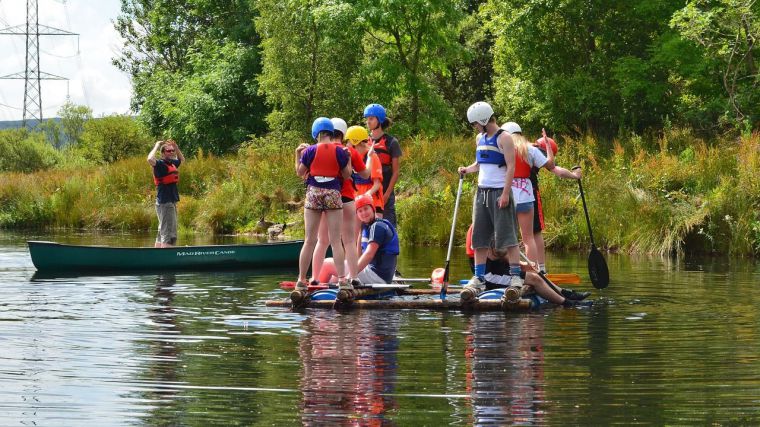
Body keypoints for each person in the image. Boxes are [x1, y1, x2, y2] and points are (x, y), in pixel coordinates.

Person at [457, 101, 522, 303]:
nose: (474, 127)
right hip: (482, 193)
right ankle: (479, 277)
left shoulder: (505, 138)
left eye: (475, 123)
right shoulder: (480, 138)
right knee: (480, 236)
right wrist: (466, 170)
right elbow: (479, 163)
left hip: (499, 193)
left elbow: (511, 167)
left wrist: (504, 194)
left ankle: (515, 277)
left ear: (484, 120)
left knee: (508, 236)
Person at [501, 123, 580, 272]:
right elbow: (554, 167)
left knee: (508, 238)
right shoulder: (531, 150)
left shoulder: (502, 149)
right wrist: (575, 176)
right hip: (528, 197)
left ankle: (511, 271)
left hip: (507, 196)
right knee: (530, 236)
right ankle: (537, 270)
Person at [310, 119, 371, 286]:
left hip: (325, 201)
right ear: (343, 134)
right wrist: (370, 157)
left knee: (322, 241)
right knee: (349, 240)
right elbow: (366, 174)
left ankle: (315, 278)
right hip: (347, 199)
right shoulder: (348, 151)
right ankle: (353, 277)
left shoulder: (318, 150)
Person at [294, 117, 353, 291]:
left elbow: (300, 172)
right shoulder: (340, 151)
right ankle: (342, 280)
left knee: (309, 240)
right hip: (333, 194)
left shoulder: (309, 151)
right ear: (331, 132)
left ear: (316, 133)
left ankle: (301, 280)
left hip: (313, 193)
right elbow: (347, 175)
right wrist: (348, 159)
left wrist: (298, 154)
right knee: (336, 241)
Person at [318, 195, 399, 285]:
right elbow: (359, 257)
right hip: (375, 273)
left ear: (373, 208)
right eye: (360, 211)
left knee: (327, 264)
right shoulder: (366, 226)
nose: (363, 213)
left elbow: (369, 254)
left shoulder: (378, 227)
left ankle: (314, 291)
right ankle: (327, 290)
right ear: (357, 214)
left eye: (366, 208)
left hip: (377, 275)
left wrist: (351, 276)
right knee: (335, 277)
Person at [364, 104, 402, 228]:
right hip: (368, 191)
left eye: (371, 118)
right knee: (366, 229)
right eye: (367, 118)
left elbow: (396, 172)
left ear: (379, 120)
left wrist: (386, 194)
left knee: (388, 228)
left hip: (385, 191)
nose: (368, 121)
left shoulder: (392, 142)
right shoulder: (363, 142)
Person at [147, 139, 184, 248]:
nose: (172, 152)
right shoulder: (160, 164)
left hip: (169, 201)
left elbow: (182, 159)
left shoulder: (172, 163)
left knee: (162, 230)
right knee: (169, 233)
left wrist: (176, 147)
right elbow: (149, 159)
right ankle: (166, 258)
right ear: (163, 153)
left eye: (172, 151)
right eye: (169, 151)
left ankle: (157, 256)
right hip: (165, 202)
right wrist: (157, 145)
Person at [347, 125, 385, 217]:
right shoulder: (353, 157)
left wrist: (366, 196)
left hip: (373, 201)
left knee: (374, 230)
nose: (347, 146)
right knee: (355, 231)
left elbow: (377, 184)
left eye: (349, 143)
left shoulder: (372, 156)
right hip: (357, 201)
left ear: (358, 143)